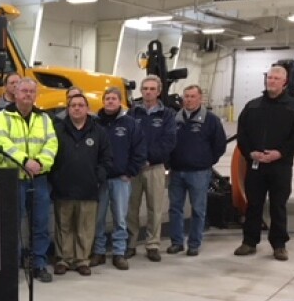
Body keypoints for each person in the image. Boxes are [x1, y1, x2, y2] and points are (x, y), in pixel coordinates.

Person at [234, 65, 294, 261]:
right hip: (256, 166)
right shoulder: (253, 106)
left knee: (278, 205)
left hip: (280, 167)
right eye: (269, 78)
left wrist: (279, 153)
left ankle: (279, 245)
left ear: (285, 82)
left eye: (276, 78)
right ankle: (249, 241)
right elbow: (242, 135)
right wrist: (251, 153)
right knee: (253, 205)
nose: (271, 81)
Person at [0, 78, 58, 283]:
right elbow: (1, 143)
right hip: (13, 179)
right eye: (24, 91)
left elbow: (52, 144)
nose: (28, 95)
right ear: (15, 93)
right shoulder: (3, 117)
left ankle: (39, 264)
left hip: (38, 178)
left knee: (40, 224)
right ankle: (12, 265)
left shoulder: (44, 119)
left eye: (32, 92)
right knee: (11, 225)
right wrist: (24, 162)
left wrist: (39, 163)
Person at [50, 93, 112, 277]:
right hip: (63, 188)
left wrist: (97, 177)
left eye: (80, 105)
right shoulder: (57, 130)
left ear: (87, 109)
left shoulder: (98, 132)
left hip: (88, 188)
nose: (76, 108)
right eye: (73, 105)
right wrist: (56, 178)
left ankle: (82, 260)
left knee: (85, 227)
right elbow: (50, 156)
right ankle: (63, 259)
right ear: (67, 109)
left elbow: (106, 159)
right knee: (63, 226)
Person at [167, 84, 227, 256]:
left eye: (193, 96)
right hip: (177, 172)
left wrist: (207, 161)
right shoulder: (175, 119)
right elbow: (168, 142)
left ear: (200, 98)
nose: (189, 99)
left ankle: (194, 244)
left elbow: (219, 145)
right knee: (175, 209)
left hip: (199, 173)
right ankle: (177, 242)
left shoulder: (211, 120)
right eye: (186, 96)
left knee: (198, 210)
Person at [91, 87, 146, 271]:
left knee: (120, 219)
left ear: (120, 101)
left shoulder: (130, 123)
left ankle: (119, 253)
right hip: (100, 180)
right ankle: (98, 252)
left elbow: (139, 150)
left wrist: (130, 171)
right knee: (98, 219)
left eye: (114, 98)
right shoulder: (94, 123)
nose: (110, 102)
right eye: (107, 98)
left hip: (121, 179)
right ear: (103, 100)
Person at [126, 75, 177, 262]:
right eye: (145, 88)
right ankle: (130, 244)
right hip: (134, 168)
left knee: (155, 209)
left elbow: (169, 141)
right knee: (131, 208)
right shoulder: (133, 113)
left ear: (159, 91)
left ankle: (153, 244)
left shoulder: (167, 114)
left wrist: (149, 159)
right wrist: (136, 161)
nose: (148, 92)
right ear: (141, 91)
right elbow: (127, 140)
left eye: (152, 89)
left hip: (155, 167)